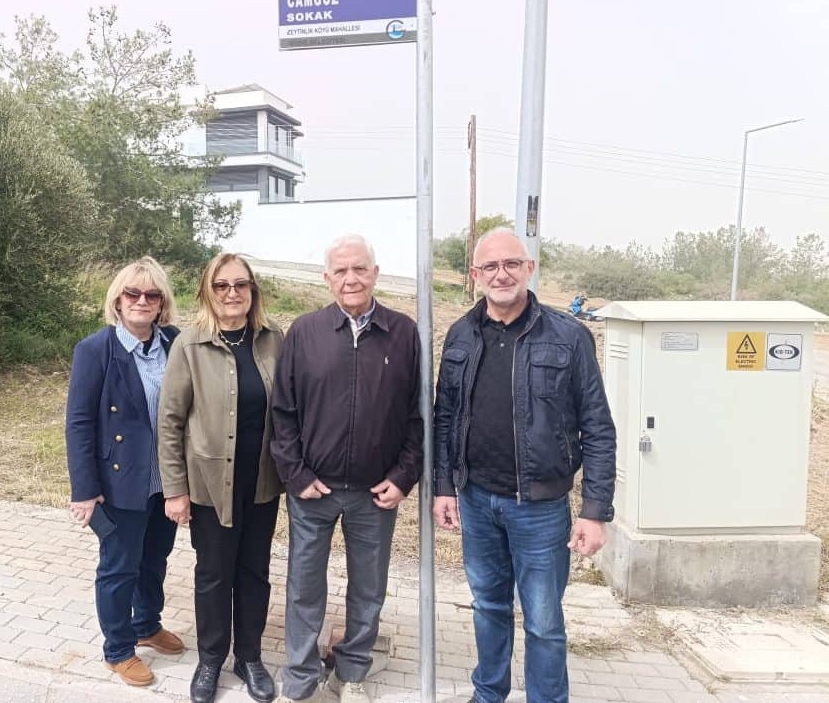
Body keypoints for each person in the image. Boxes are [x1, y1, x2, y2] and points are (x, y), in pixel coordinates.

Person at [432, 229, 617, 703]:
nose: (501, 274)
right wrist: (443, 488)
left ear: (529, 268)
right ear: (475, 276)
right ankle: (489, 693)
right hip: (475, 500)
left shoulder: (569, 336)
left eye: (511, 263)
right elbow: (445, 417)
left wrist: (595, 510)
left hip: (539, 508)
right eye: (490, 267)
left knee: (543, 621)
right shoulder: (460, 334)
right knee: (488, 606)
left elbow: (597, 425)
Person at [270, 234, 423, 703]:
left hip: (375, 493)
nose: (351, 278)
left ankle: (351, 671)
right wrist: (295, 474)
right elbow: (284, 412)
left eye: (360, 269)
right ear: (327, 278)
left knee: (368, 588)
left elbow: (418, 415)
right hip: (313, 490)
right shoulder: (305, 331)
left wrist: (402, 478)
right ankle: (299, 676)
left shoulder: (404, 332)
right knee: (304, 586)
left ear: (376, 273)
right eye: (341, 271)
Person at [158, 253, 284, 703]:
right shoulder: (189, 346)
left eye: (241, 285)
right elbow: (170, 422)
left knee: (254, 573)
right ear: (207, 292)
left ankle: (248, 657)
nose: (233, 293)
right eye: (222, 285)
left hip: (262, 484)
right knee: (213, 574)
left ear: (253, 291)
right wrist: (175, 490)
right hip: (210, 488)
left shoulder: (273, 340)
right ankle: (210, 659)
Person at [65, 256, 186, 687]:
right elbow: (79, 421)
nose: (141, 301)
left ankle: (147, 624)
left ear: (161, 303)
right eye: (132, 293)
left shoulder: (176, 342)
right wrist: (85, 489)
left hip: (166, 481)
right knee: (119, 567)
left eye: (151, 295)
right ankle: (118, 649)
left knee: (155, 558)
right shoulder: (96, 349)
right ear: (118, 300)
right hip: (119, 482)